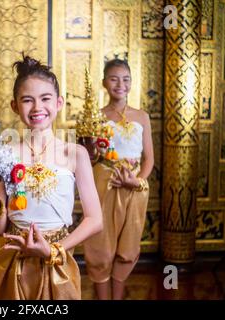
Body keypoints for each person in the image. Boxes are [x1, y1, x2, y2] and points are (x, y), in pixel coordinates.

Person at [0, 55, 103, 300]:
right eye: (27, 100)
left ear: (58, 103)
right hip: (14, 259)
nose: (37, 108)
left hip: (57, 259)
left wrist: (52, 249)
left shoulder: (75, 153)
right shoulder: (3, 155)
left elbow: (95, 219)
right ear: (15, 106)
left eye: (45, 99)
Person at [83, 59, 154, 300]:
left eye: (125, 79)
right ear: (104, 82)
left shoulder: (142, 116)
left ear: (131, 83)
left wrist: (138, 182)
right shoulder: (97, 117)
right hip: (105, 184)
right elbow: (88, 158)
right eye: (114, 79)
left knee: (128, 247)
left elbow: (149, 160)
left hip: (134, 187)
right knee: (101, 246)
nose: (120, 84)